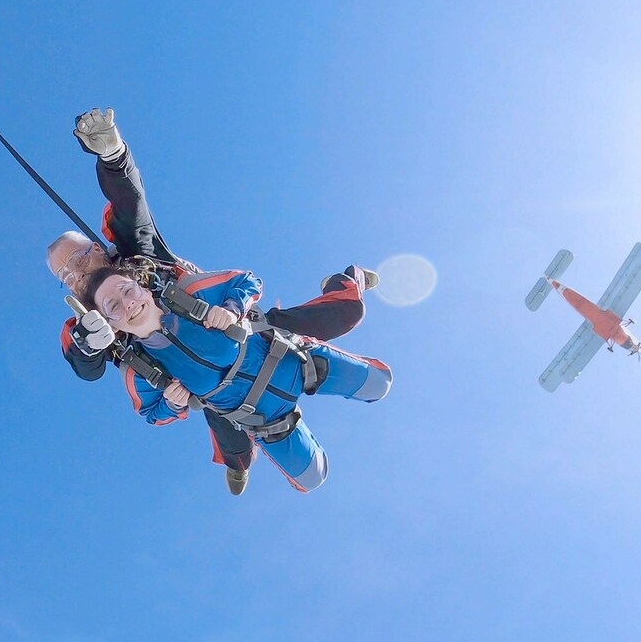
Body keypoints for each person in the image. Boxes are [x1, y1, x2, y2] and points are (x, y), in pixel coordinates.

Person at [47, 109, 377, 494]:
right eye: (65, 277)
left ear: (100, 249)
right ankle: (237, 465)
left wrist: (114, 156)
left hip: (243, 333)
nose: (77, 275)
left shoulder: (138, 255)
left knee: (345, 313)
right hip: (207, 383)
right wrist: (90, 345)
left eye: (79, 259)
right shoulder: (93, 320)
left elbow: (130, 204)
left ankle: (345, 280)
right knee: (232, 433)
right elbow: (83, 362)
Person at [80, 259, 392, 493]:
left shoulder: (189, 294)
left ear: (143, 287)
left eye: (128, 290)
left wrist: (232, 308)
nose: (129, 303)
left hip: (292, 362)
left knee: (379, 384)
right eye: (114, 305)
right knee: (312, 477)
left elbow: (248, 280)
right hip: (263, 418)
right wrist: (173, 404)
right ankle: (238, 461)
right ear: (112, 324)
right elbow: (152, 413)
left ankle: (346, 281)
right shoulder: (140, 368)